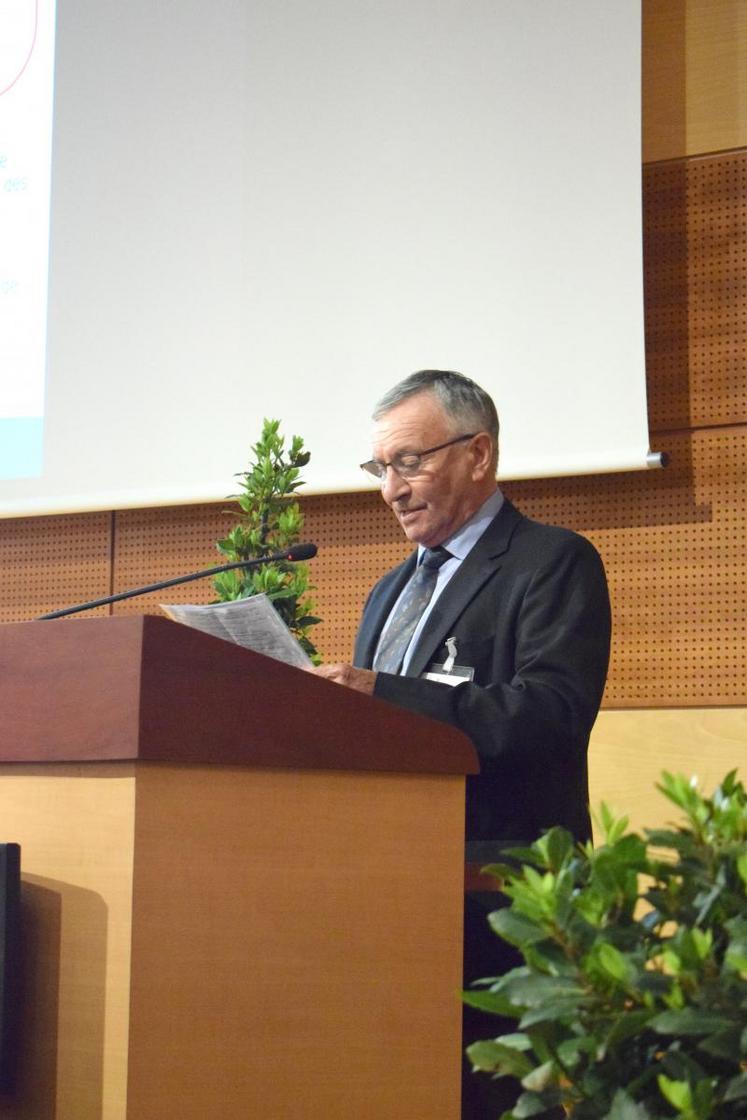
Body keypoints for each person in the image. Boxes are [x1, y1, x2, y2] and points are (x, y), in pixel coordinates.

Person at [313, 369, 611, 1117]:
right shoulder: (388, 589)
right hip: (393, 894)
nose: (391, 489)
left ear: (477, 455)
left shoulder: (551, 562)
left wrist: (382, 693)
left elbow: (549, 714)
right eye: (381, 468)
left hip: (503, 900)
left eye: (410, 461)